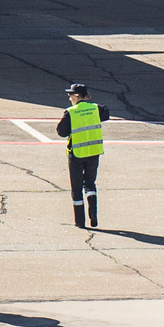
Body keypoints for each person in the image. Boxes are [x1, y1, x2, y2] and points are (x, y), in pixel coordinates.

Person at [57, 83, 102, 229]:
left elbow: (61, 131)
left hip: (76, 154)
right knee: (90, 184)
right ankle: (93, 213)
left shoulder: (71, 112)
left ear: (77, 96)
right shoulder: (96, 108)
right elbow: (105, 114)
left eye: (70, 95)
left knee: (76, 188)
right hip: (94, 152)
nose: (69, 98)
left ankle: (80, 221)